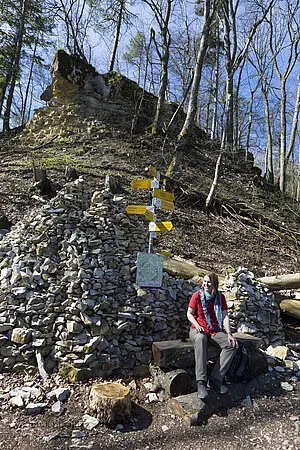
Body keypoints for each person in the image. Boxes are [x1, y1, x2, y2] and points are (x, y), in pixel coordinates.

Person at [187, 272, 238, 399]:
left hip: (214, 330)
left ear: (214, 283)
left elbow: (225, 316)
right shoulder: (197, 295)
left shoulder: (220, 297)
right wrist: (197, 324)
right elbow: (189, 314)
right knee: (200, 338)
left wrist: (229, 334)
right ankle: (201, 382)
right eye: (204, 281)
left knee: (231, 345)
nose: (206, 284)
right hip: (197, 329)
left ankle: (216, 379)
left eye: (209, 282)